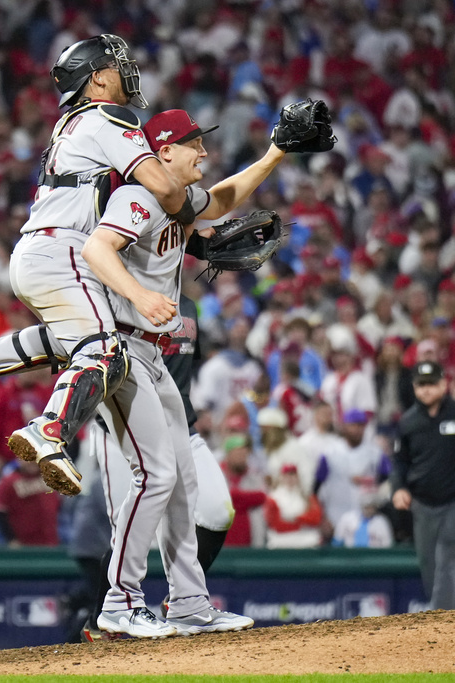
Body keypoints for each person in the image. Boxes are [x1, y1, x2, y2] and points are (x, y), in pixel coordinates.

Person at [0, 34, 196, 496]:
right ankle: (49, 430)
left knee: (77, 338)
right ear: (96, 80)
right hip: (66, 251)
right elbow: (166, 189)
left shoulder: (71, 123)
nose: (127, 69)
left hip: (41, 250)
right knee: (106, 351)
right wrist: (187, 212)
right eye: (116, 65)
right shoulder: (109, 116)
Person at [90, 108, 293, 638]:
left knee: (180, 482)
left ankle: (189, 603)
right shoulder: (136, 198)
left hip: (154, 356)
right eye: (192, 144)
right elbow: (96, 249)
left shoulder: (178, 202)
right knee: (154, 479)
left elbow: (224, 198)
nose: (203, 152)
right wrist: (138, 294)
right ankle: (120, 601)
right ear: (163, 153)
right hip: (120, 351)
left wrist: (275, 153)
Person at [79, 297, 235, 642]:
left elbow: (182, 370)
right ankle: (100, 622)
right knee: (133, 527)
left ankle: (182, 600)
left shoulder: (191, 306)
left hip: (182, 426)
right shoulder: (123, 296)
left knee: (217, 510)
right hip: (124, 432)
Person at [391, 360, 455, 609]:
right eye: (421, 385)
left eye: (432, 384)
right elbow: (400, 462)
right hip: (423, 503)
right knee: (428, 562)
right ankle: (442, 616)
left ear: (444, 383)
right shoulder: (408, 422)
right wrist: (399, 488)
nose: (426, 390)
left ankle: (442, 614)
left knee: (448, 555)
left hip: (452, 500)